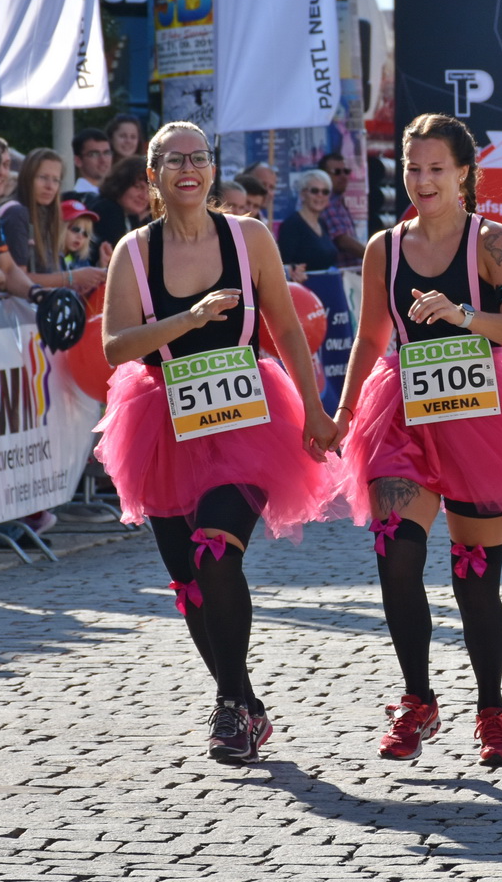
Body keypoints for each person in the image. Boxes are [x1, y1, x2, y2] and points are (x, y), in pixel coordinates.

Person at [332, 112, 502, 767]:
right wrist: (339, 415)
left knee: (476, 580)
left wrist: (463, 316)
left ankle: (491, 708)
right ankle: (417, 698)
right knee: (396, 556)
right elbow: (368, 338)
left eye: (435, 168)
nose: (422, 180)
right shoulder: (383, 248)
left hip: (482, 414)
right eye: (412, 169)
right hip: (403, 414)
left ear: (465, 173)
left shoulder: (491, 241)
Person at [95, 121, 338, 763]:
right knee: (189, 582)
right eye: (172, 160)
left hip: (247, 418)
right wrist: (189, 317)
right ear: (151, 176)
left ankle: (229, 708)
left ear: (210, 169)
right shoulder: (135, 252)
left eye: (198, 158)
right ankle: (245, 701)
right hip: (164, 421)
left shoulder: (249, 236)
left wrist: (315, 412)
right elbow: (115, 345)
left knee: (215, 550)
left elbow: (285, 325)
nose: (188, 169)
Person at [0, 147, 107, 295]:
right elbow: (16, 278)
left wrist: (77, 286)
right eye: (43, 177)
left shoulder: (47, 216)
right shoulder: (17, 213)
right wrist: (72, 277)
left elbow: (51, 275)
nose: (50, 187)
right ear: (27, 177)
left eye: (56, 180)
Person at [276, 169, 342, 274]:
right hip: (303, 287)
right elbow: (284, 264)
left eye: (325, 192)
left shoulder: (322, 223)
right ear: (303, 194)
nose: (320, 195)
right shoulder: (292, 225)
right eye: (314, 191)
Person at [92, 156, 155, 250]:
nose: (144, 196)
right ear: (121, 184)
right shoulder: (108, 210)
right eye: (138, 187)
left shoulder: (131, 217)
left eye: (149, 191)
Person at [318, 152, 366, 264]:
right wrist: (374, 255)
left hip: (350, 274)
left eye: (346, 171)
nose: (343, 176)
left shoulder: (339, 201)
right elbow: (343, 240)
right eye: (337, 172)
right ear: (324, 175)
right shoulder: (325, 202)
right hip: (340, 274)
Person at [72, 128, 112, 195]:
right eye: (94, 154)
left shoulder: (114, 193)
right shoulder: (79, 199)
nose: (103, 160)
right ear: (78, 161)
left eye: (106, 153)